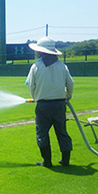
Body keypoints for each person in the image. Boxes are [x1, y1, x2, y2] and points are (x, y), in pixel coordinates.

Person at [26, 37, 74, 167]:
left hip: (43, 106)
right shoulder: (62, 66)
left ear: (41, 52)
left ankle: (47, 161)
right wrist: (67, 97)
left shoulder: (36, 66)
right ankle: (65, 161)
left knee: (42, 133)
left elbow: (31, 86)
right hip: (59, 105)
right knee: (62, 132)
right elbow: (70, 84)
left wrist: (36, 97)